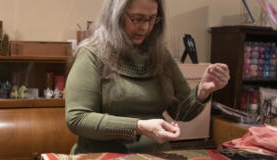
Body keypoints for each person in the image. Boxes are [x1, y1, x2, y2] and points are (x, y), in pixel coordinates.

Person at [65, 0, 230, 154]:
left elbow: (182, 113)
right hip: (103, 155)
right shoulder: (93, 54)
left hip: (156, 154)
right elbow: (78, 118)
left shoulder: (161, 56)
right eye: (137, 19)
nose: (145, 27)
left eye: (152, 19)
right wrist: (139, 127)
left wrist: (202, 92)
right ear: (115, 16)